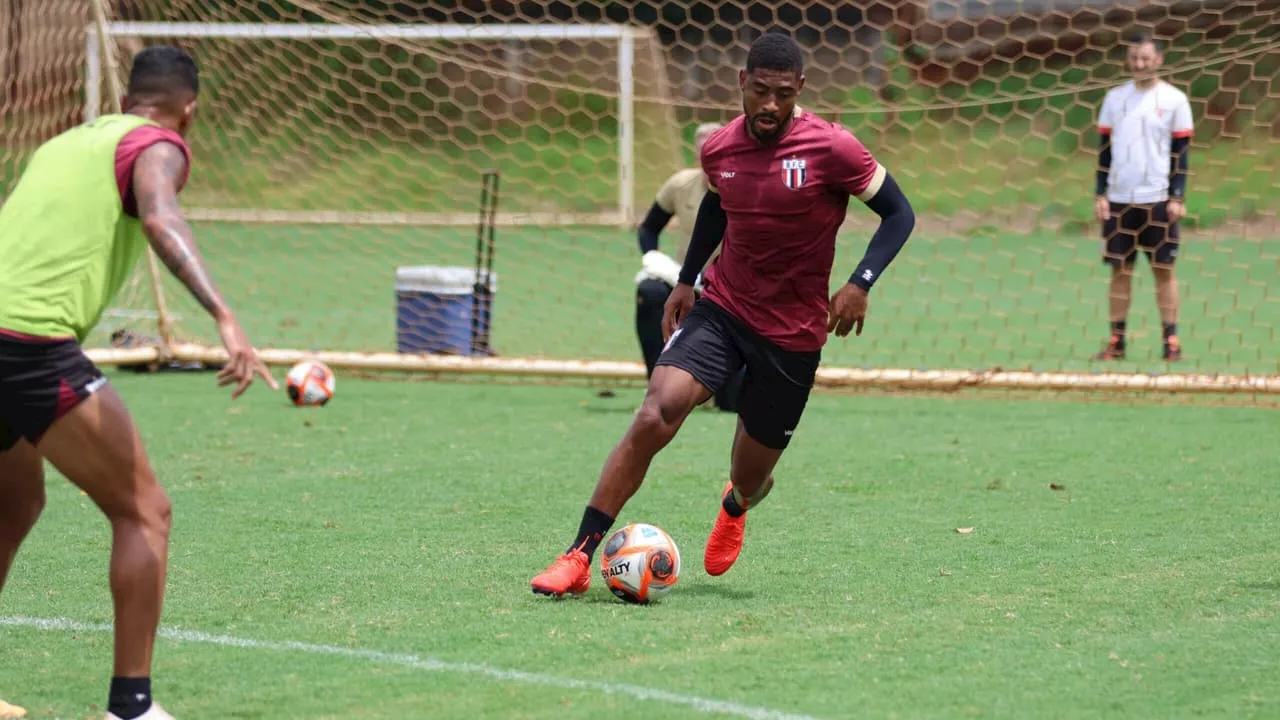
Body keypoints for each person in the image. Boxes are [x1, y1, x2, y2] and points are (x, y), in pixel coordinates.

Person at [531, 31, 915, 597]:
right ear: (742, 82)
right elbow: (716, 205)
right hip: (724, 309)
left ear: (800, 89)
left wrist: (860, 283)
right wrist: (686, 281)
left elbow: (899, 213)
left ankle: (735, 505)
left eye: (783, 94)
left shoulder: (833, 148)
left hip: (792, 335)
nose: (769, 106)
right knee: (654, 414)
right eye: (759, 91)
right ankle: (578, 555)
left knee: (751, 475)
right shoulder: (720, 148)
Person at [0, 46, 277, 719]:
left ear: (128, 95)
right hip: (26, 344)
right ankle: (131, 707)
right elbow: (160, 216)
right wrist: (225, 316)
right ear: (191, 108)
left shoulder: (69, 141)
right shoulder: (160, 144)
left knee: (12, 503)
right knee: (144, 511)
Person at [1093, 32, 1193, 362]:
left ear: (1159, 60)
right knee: (1119, 271)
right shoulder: (1114, 98)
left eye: (1146, 59)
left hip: (1158, 200)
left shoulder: (1175, 100)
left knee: (1164, 270)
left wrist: (1177, 196)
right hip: (1120, 200)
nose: (1139, 64)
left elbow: (1181, 153)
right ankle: (1116, 341)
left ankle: (1171, 341)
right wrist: (1100, 193)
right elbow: (1104, 151)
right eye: (1134, 58)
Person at [634, 121, 743, 412]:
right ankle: (657, 386)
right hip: (685, 281)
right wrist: (653, 259)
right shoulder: (681, 184)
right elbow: (648, 229)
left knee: (732, 403)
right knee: (650, 291)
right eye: (704, 146)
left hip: (732, 288)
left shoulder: (748, 184)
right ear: (698, 152)